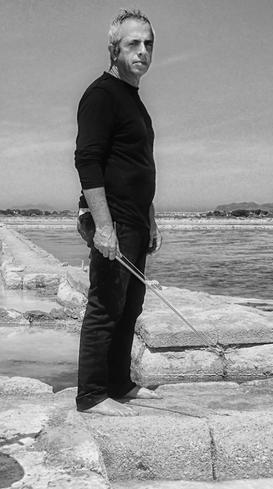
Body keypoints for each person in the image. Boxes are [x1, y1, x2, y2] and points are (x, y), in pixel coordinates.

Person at [74, 9, 162, 416]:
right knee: (106, 305)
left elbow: (137, 163)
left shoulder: (134, 100)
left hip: (135, 220)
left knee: (131, 306)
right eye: (133, 43)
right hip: (114, 221)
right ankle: (91, 395)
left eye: (148, 44)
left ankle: (119, 383)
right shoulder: (101, 95)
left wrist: (152, 219)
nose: (142, 51)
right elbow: (88, 162)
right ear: (114, 49)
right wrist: (104, 228)